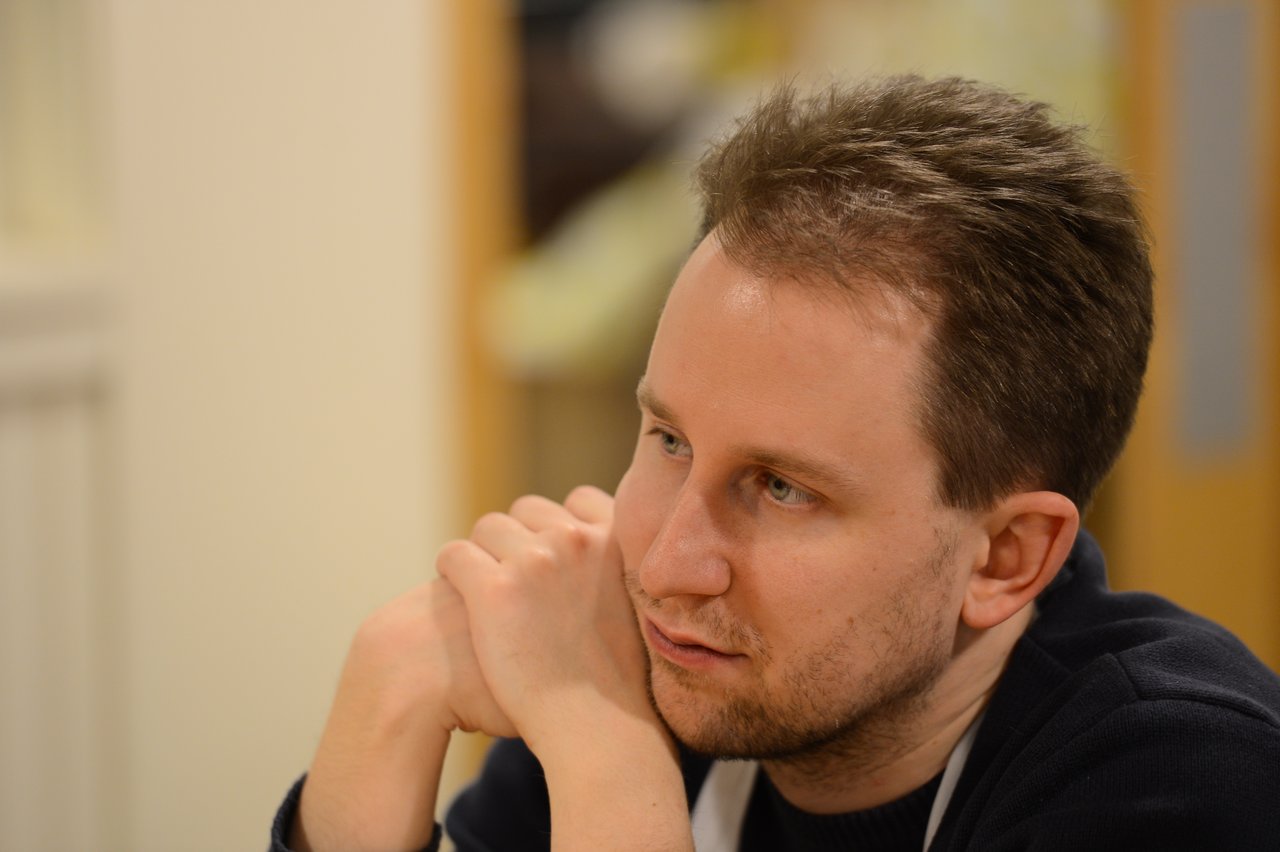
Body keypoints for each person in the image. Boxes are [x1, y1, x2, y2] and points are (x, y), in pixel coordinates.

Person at [271, 76, 1280, 851]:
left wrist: (610, 767)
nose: (665, 565)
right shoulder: (656, 665)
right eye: (666, 440)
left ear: (1004, 557)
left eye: (782, 489)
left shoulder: (1185, 777)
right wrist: (382, 712)